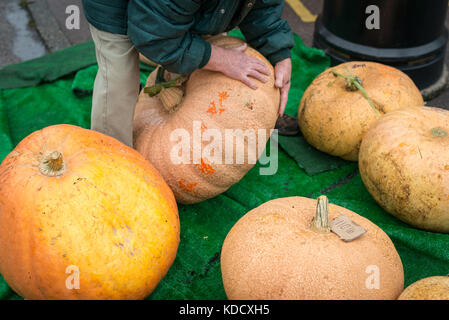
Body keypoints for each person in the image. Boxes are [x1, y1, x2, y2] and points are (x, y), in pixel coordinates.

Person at [83, 0, 294, 147]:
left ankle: (195, 137)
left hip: (177, 8)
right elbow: (157, 38)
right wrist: (222, 58)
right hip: (114, 7)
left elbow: (263, 6)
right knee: (120, 76)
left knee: (203, 51)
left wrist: (278, 53)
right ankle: (108, 158)